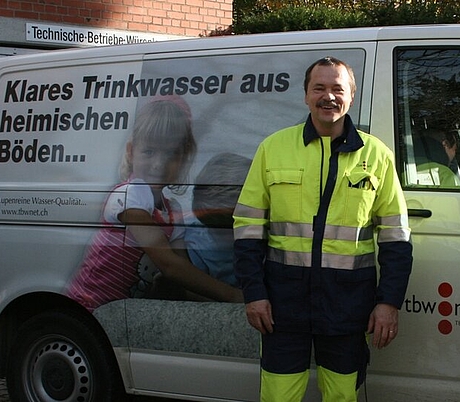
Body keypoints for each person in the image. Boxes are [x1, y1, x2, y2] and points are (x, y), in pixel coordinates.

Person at [233, 56, 413, 402]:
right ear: (305, 95)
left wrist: (388, 302)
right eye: (319, 88)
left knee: (342, 396)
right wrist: (254, 293)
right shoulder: (273, 149)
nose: (328, 96)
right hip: (282, 306)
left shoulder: (376, 156)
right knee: (278, 396)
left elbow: (396, 237)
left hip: (347, 305)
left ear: (351, 96)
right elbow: (247, 228)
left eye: (337, 88)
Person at [68, 96, 243, 312]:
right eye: (149, 152)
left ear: (184, 159)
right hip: (89, 307)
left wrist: (222, 307)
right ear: (132, 152)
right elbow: (169, 265)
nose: (159, 164)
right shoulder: (130, 195)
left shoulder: (172, 210)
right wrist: (232, 295)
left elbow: (185, 274)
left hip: (122, 314)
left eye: (171, 154)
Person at [185, 152, 252, 287]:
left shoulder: (271, 233)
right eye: (224, 229)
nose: (235, 234)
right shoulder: (197, 246)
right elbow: (196, 290)